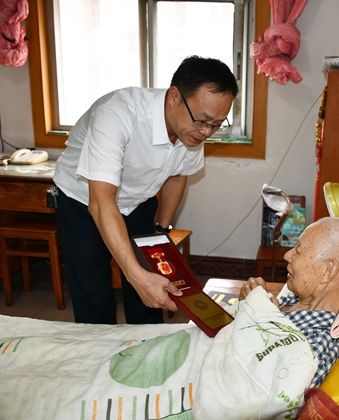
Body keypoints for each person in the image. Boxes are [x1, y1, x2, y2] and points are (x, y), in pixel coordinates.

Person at [54, 56, 238, 325]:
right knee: (94, 297)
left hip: (138, 203)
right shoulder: (117, 114)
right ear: (174, 97)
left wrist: (161, 231)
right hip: (83, 204)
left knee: (151, 295)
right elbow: (101, 203)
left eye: (217, 124)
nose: (206, 132)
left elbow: (177, 176)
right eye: (203, 121)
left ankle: (149, 347)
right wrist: (135, 275)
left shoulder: (192, 129)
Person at [238, 217, 339, 386]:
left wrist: (257, 319)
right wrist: (249, 306)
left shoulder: (313, 346)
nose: (287, 255)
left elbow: (253, 387)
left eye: (298, 251)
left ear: (327, 271)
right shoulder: (302, 295)